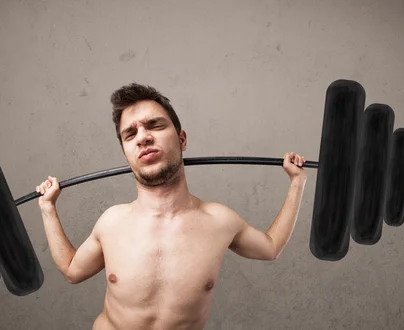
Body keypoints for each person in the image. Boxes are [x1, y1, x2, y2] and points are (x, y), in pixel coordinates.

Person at [36, 83, 307, 330]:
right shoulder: (112, 222)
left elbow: (270, 248)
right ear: (126, 153)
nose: (143, 137)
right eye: (130, 134)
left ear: (182, 139)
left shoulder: (220, 221)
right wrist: (48, 209)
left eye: (155, 125)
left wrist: (297, 183)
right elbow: (73, 271)